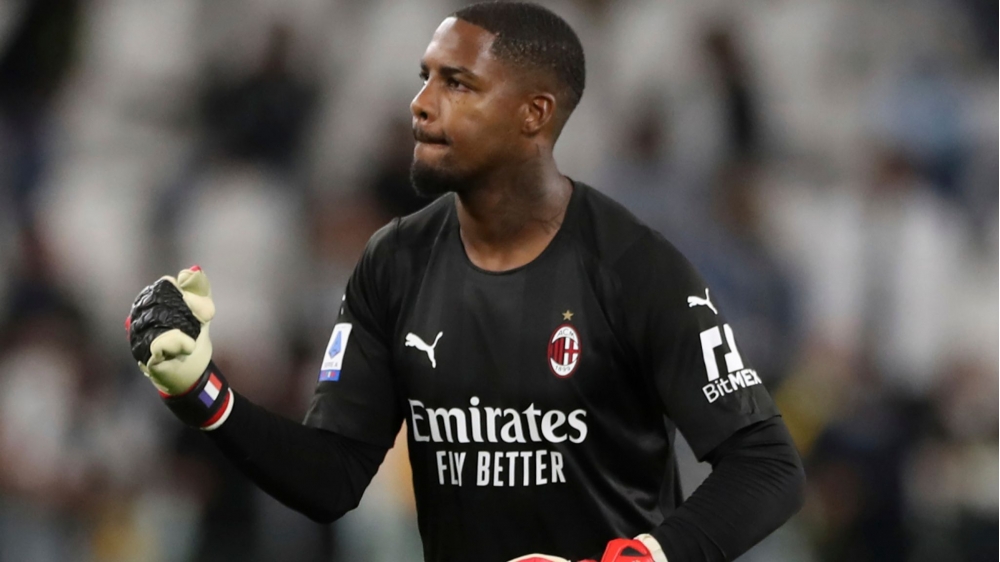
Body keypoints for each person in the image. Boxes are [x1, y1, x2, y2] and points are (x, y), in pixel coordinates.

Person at [125, 3, 804, 561]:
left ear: (533, 114)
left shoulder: (634, 267)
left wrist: (644, 557)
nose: (420, 105)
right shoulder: (394, 263)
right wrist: (201, 392)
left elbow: (767, 465)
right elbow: (333, 475)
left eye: (457, 85)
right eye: (425, 79)